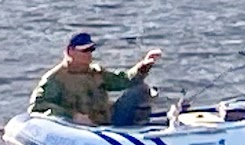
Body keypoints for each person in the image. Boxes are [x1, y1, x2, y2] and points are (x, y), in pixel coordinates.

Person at [29, 32, 163, 127]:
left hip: (109, 122)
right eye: (84, 51)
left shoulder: (96, 72)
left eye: (91, 50)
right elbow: (38, 106)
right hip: (80, 129)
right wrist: (72, 116)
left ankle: (139, 129)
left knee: (139, 89)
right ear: (70, 52)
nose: (89, 54)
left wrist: (144, 66)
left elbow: (123, 80)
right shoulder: (54, 79)